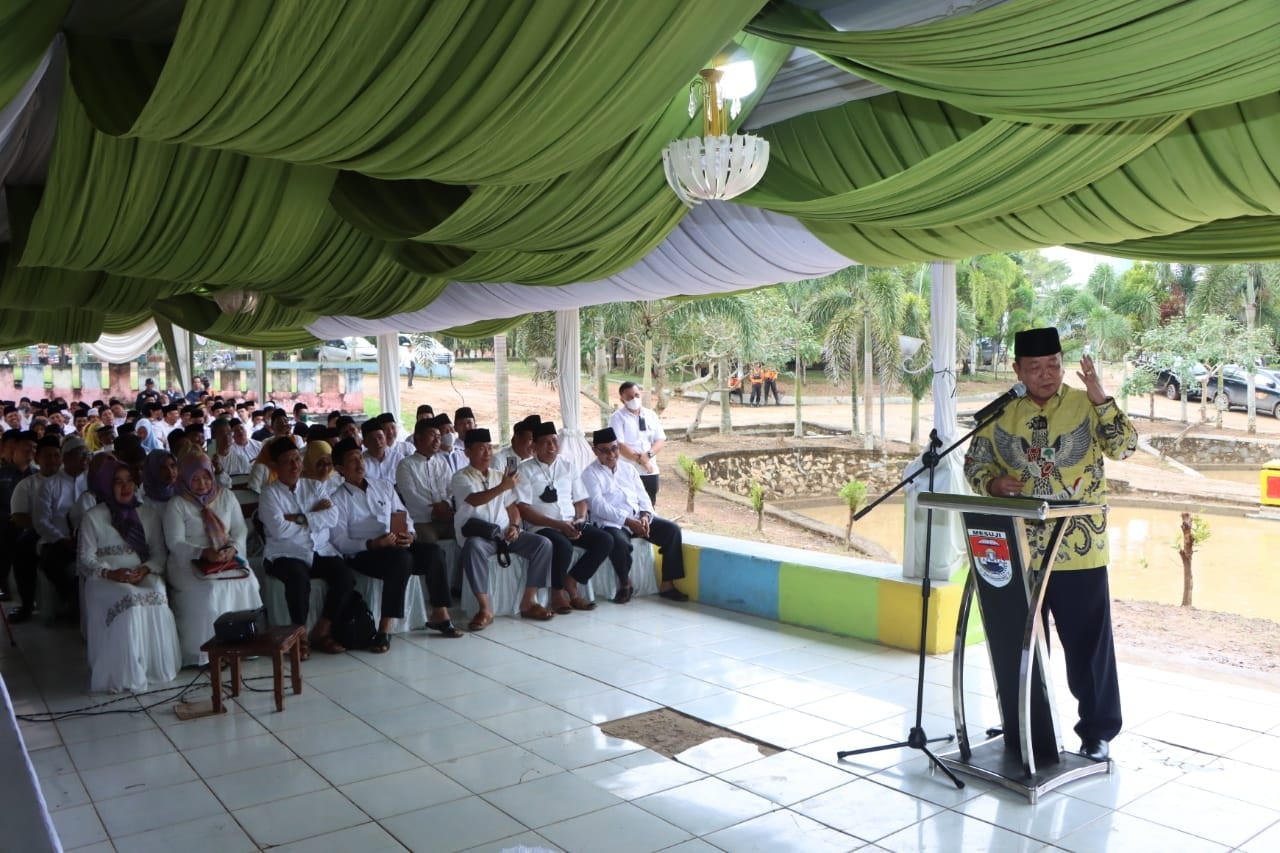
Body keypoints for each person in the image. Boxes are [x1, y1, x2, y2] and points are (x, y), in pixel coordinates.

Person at [963, 327, 1137, 762]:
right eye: (1036, 368)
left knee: (1087, 647)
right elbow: (975, 462)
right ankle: (1023, 719)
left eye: (1054, 366)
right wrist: (993, 483)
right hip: (1019, 550)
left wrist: (1101, 396)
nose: (1046, 375)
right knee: (1018, 642)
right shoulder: (1002, 414)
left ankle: (1097, 733)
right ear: (1017, 369)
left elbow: (1125, 447)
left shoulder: (1085, 405)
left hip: (1079, 550)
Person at [330, 438, 461, 647]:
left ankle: (441, 614)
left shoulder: (382, 486)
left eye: (359, 458)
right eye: (352, 460)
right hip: (365, 553)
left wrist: (410, 534)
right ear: (339, 468)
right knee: (401, 559)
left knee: (434, 553)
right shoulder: (337, 498)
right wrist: (372, 543)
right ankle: (385, 627)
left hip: (395, 545)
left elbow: (404, 515)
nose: (359, 463)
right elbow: (339, 541)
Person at [78, 459, 181, 692]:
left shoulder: (147, 514)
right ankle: (126, 673)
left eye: (130, 481)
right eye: (117, 482)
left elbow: (158, 553)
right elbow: (86, 559)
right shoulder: (93, 517)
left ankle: (155, 668)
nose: (126, 487)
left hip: (140, 571)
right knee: (130, 600)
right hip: (104, 578)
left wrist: (144, 570)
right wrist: (110, 573)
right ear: (105, 485)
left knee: (156, 591)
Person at [259, 438, 354, 657]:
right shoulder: (269, 494)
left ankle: (322, 631)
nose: (294, 466)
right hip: (284, 553)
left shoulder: (315, 485)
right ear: (275, 466)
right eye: (287, 462)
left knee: (345, 576)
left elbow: (332, 516)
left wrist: (299, 518)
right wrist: (313, 518)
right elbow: (280, 530)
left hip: (319, 549)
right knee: (298, 579)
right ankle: (299, 637)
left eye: (296, 459)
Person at [163, 453, 261, 666]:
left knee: (248, 582)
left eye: (206, 477)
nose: (202, 484)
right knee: (208, 591)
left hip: (225, 556)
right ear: (185, 478)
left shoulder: (226, 496)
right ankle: (208, 652)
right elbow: (175, 542)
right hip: (188, 560)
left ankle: (242, 644)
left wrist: (233, 549)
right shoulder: (177, 504)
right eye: (195, 479)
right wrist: (202, 552)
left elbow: (239, 529)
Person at [451, 428, 553, 630]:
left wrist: (515, 525)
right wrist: (503, 487)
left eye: (489, 447)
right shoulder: (461, 477)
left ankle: (529, 601)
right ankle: (485, 609)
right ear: (468, 452)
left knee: (543, 544)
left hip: (505, 534)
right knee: (473, 548)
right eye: (481, 448)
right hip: (480, 536)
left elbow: (512, 506)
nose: (487, 453)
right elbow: (474, 499)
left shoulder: (500, 475)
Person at [515, 421, 613, 613]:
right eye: (545, 442)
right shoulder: (524, 470)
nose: (551, 446)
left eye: (554, 441)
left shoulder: (568, 466)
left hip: (571, 522)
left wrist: (580, 519)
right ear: (533, 446)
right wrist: (558, 525)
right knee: (562, 545)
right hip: (543, 526)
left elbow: (581, 500)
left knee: (605, 540)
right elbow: (523, 509)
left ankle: (572, 580)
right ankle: (557, 593)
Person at [582, 428, 688, 603]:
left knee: (672, 531)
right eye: (605, 450)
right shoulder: (589, 474)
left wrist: (645, 516)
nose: (611, 454)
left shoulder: (628, 469)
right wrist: (628, 521)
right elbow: (597, 506)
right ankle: (625, 583)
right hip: (613, 523)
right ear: (595, 451)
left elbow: (643, 496)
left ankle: (668, 584)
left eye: (614, 448)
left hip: (638, 518)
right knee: (619, 543)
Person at [395, 419, 456, 543]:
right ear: (418, 437)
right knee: (431, 544)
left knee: (464, 535)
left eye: (439, 436)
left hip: (447, 517)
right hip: (421, 520)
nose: (437, 440)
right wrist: (436, 512)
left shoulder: (441, 462)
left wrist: (446, 504)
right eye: (432, 435)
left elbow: (452, 489)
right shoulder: (406, 464)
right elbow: (411, 497)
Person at [608, 381, 666, 507]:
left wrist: (648, 456)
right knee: (630, 506)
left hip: (650, 471)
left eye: (636, 395)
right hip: (628, 471)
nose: (634, 399)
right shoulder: (617, 418)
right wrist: (644, 462)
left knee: (650, 506)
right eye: (629, 397)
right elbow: (619, 445)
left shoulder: (651, 415)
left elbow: (660, 440)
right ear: (622, 400)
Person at [2, 431, 40, 620]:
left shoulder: (37, 474)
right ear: (15, 447)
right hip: (6, 525)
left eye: (34, 447)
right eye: (27, 445)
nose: (30, 450)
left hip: (33, 526)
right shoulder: (3, 473)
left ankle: (28, 603)